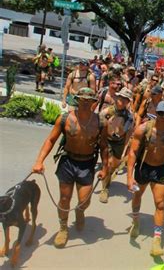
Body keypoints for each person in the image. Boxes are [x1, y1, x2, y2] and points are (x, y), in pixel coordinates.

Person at [32, 87, 108, 248]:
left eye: (89, 101)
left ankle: (80, 212)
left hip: (87, 163)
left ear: (94, 102)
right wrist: (39, 161)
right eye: (83, 100)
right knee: (65, 198)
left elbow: (104, 147)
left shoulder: (100, 122)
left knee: (84, 201)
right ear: (77, 100)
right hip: (68, 161)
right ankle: (63, 228)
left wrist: (105, 168)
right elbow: (50, 140)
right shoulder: (65, 118)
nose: (86, 103)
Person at [126, 101, 164, 256]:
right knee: (137, 195)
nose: (163, 117)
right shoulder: (144, 129)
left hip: (161, 169)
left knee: (160, 204)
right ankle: (136, 221)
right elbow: (133, 152)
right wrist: (129, 177)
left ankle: (157, 240)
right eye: (161, 113)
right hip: (143, 167)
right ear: (156, 113)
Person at [98, 88, 135, 203]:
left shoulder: (129, 117)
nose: (123, 101)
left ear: (128, 102)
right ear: (117, 98)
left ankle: (108, 178)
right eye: (121, 98)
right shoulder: (106, 112)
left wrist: (125, 149)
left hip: (119, 142)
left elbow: (128, 133)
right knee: (108, 164)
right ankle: (104, 190)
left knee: (114, 166)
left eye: (126, 100)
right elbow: (98, 127)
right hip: (107, 140)